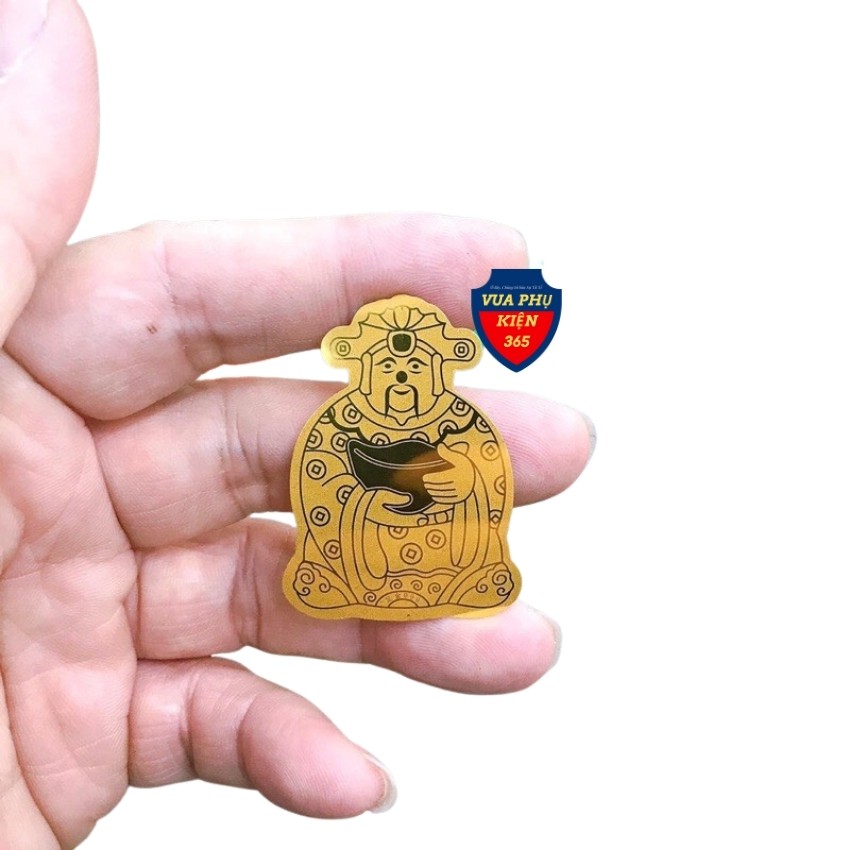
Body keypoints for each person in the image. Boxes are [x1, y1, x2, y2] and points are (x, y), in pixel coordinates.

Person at [0, 1, 594, 847]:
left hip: (436, 555)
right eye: (385, 369)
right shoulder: (337, 429)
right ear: (362, 363)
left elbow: (477, 493)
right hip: (361, 557)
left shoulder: (458, 430)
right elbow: (322, 493)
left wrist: (439, 488)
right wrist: (371, 497)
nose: (399, 384)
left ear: (440, 369)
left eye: (414, 371)